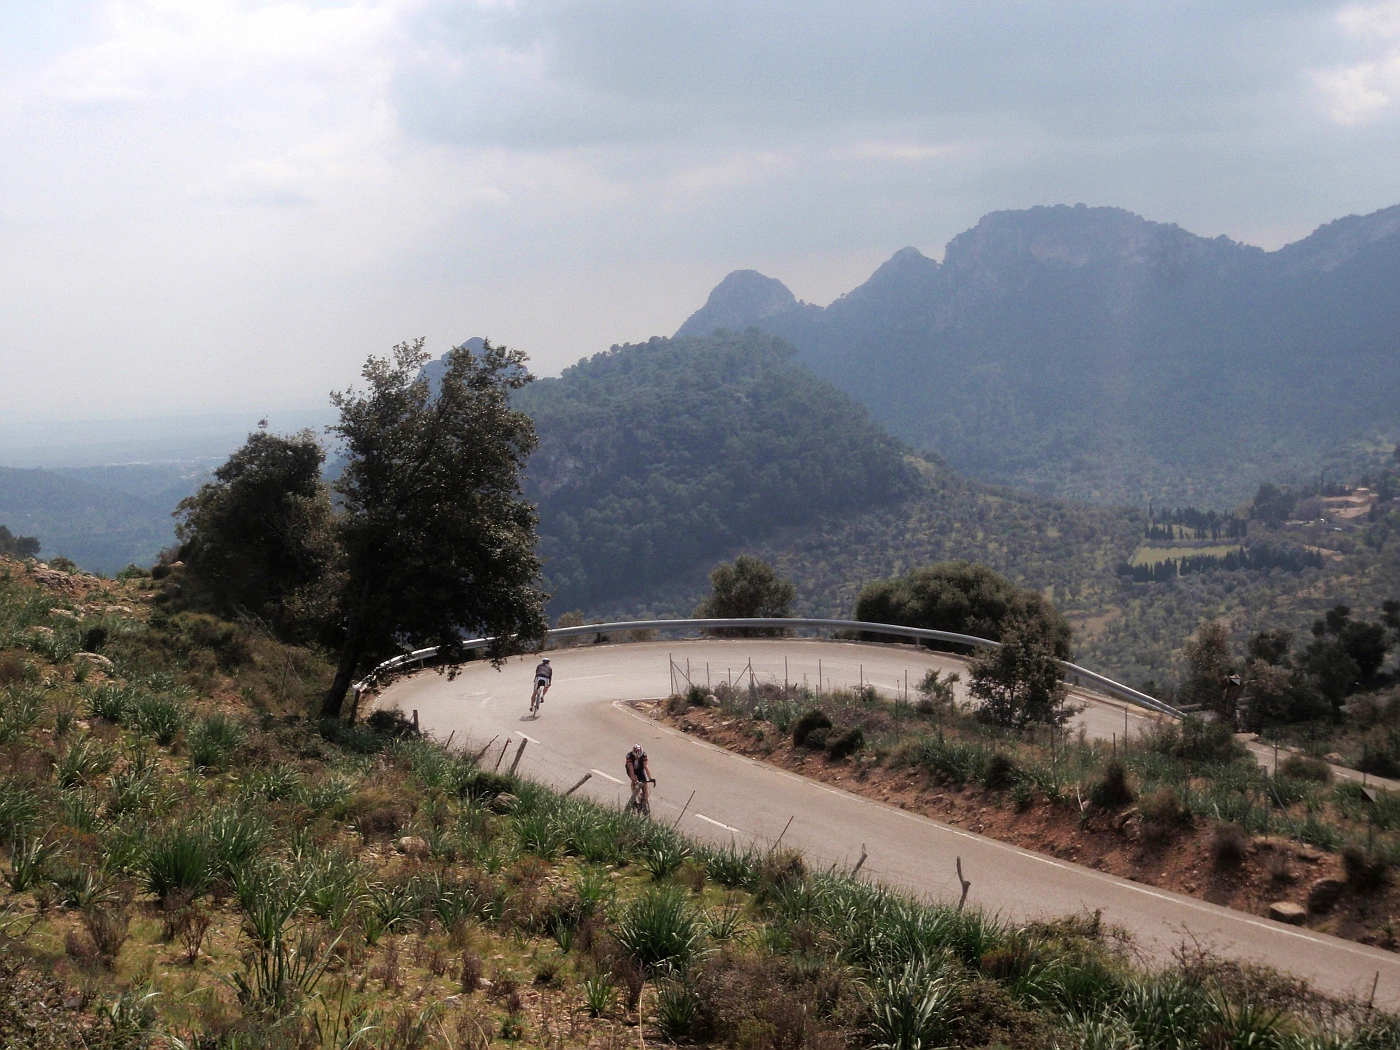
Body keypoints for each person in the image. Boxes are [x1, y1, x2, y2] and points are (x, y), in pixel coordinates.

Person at [625, 744, 653, 811]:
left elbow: (646, 767)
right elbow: (631, 770)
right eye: (636, 756)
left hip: (640, 770)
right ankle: (634, 797)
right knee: (634, 780)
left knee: (645, 786)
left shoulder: (643, 755)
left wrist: (650, 778)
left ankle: (644, 804)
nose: (637, 758)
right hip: (632, 769)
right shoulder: (629, 756)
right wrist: (634, 780)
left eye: (639, 756)